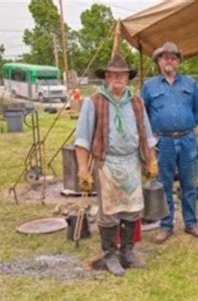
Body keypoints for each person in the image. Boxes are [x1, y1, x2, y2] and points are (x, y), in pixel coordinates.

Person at [75, 53, 157, 276]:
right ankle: (110, 254)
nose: (117, 78)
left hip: (132, 163)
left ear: (127, 77)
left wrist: (151, 160)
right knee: (109, 213)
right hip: (107, 164)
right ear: (106, 77)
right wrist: (83, 170)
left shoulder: (137, 102)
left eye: (121, 74)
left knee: (132, 210)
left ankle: (127, 252)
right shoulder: (95, 102)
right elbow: (82, 139)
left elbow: (147, 135)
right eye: (112, 74)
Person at [141, 42, 198, 244]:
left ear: (178, 62)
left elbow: (197, 112)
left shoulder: (190, 84)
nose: (169, 61)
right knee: (164, 184)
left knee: (189, 184)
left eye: (173, 57)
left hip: (186, 140)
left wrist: (186, 129)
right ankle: (166, 225)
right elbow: (143, 115)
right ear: (159, 61)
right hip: (163, 142)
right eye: (165, 57)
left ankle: (191, 223)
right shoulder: (149, 86)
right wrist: (151, 141)